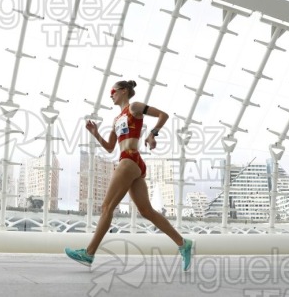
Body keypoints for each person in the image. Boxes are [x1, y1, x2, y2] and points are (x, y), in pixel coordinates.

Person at [65, 80, 194, 271]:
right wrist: (95, 134)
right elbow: (110, 148)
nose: (111, 95)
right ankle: (183, 243)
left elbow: (163, 115)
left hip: (130, 159)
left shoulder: (134, 107)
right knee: (146, 211)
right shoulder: (117, 119)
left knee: (107, 206)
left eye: (113, 91)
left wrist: (152, 134)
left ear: (124, 91)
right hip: (132, 162)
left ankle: (89, 253)